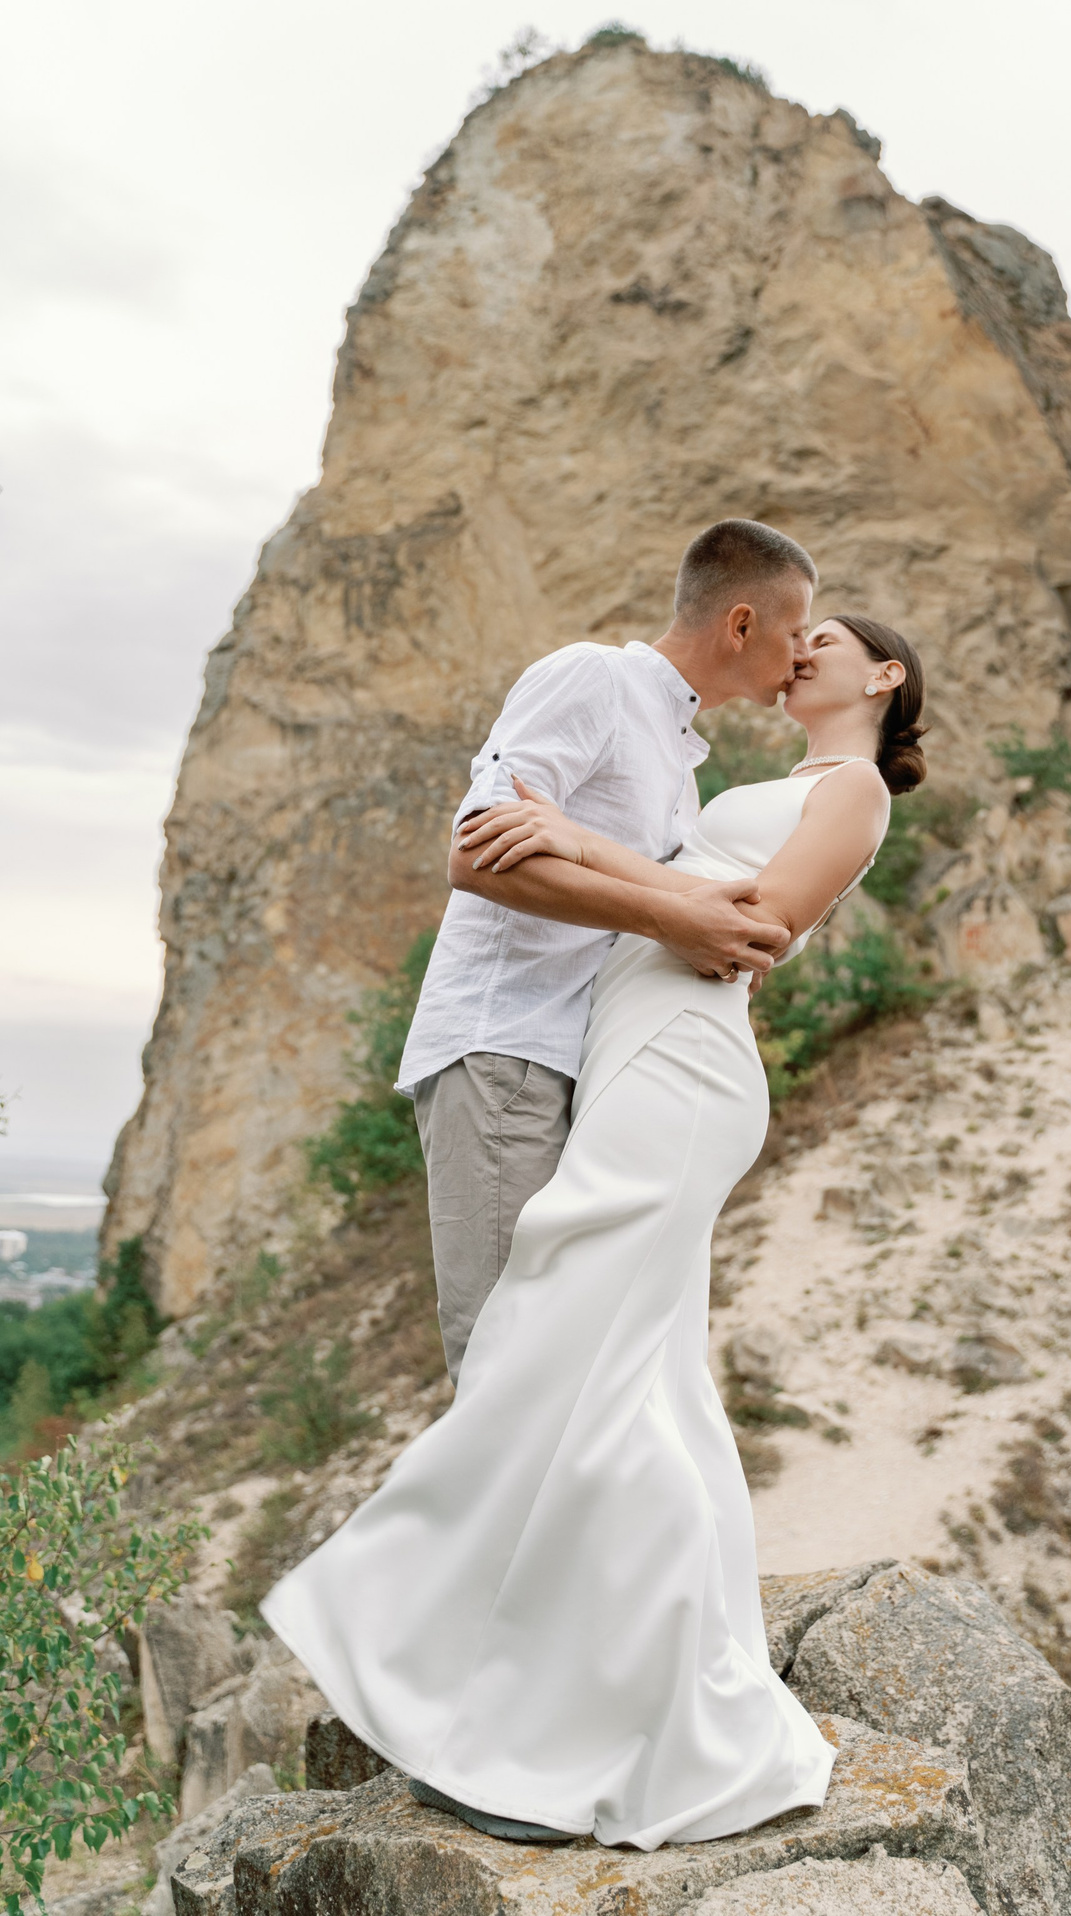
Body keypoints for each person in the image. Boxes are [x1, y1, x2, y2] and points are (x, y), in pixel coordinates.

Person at [264, 612, 930, 1850]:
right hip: (625, 1055)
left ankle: (534, 1704)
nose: (798, 647)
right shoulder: (764, 779)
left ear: (884, 675)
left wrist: (575, 836)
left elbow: (755, 925)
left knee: (562, 1346)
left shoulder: (850, 791)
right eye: (791, 625)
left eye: (824, 635)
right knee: (637, 1373)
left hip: (680, 1066)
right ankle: (622, 1675)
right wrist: (622, 858)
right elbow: (685, 895)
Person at [394, 518, 815, 1380]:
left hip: (576, 1074)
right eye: (797, 629)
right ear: (741, 624)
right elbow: (474, 854)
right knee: (510, 1371)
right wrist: (671, 918)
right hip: (505, 1051)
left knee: (563, 1367)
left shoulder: (681, 764)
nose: (803, 654)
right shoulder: (595, 680)